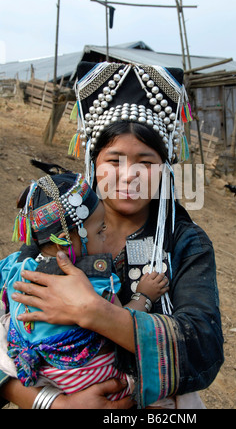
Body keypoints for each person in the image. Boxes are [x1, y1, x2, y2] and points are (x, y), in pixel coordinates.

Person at [0, 62, 224, 409]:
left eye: (146, 162)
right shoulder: (62, 232)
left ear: (165, 168)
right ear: (93, 162)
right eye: (114, 160)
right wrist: (53, 404)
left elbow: (203, 350)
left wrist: (96, 313)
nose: (128, 176)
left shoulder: (184, 242)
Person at [0, 172, 168, 406]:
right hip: (90, 382)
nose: (106, 234)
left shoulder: (16, 268)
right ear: (65, 239)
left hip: (39, 378)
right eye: (100, 230)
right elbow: (124, 319)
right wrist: (145, 295)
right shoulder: (94, 282)